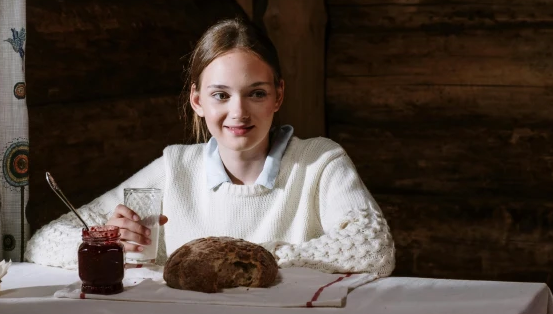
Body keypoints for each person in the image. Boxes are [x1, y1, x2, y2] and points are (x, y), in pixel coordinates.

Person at [26, 18, 395, 276]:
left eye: (257, 94)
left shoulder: (318, 162)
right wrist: (108, 241)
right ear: (198, 101)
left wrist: (253, 260)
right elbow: (43, 243)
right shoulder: (175, 169)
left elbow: (374, 249)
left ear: (278, 95)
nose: (239, 112)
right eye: (221, 95)